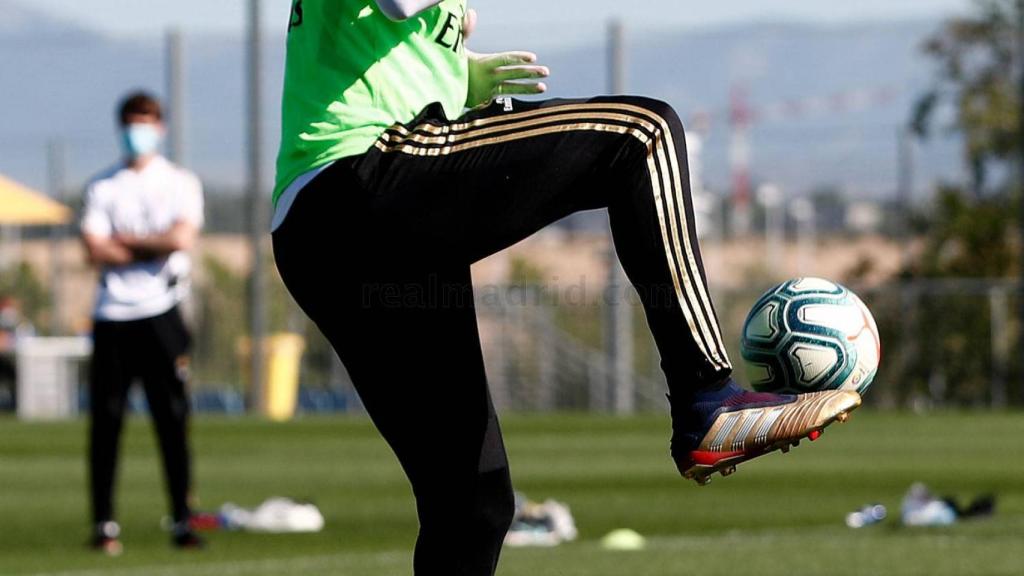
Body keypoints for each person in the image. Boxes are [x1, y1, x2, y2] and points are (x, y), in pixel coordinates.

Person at [270, 1, 862, 574]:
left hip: (327, 238)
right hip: (356, 183)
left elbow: (375, 36)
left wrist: (453, 72)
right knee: (642, 134)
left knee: (473, 504)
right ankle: (707, 397)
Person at [80, 92, 205, 554]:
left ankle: (182, 520)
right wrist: (153, 244)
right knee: (106, 424)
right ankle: (103, 525)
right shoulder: (103, 187)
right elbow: (94, 248)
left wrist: (126, 243)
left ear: (161, 127)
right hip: (112, 316)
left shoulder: (179, 182)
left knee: (172, 421)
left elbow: (182, 237)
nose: (139, 131)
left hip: (162, 314)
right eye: (132, 123)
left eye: (147, 122)